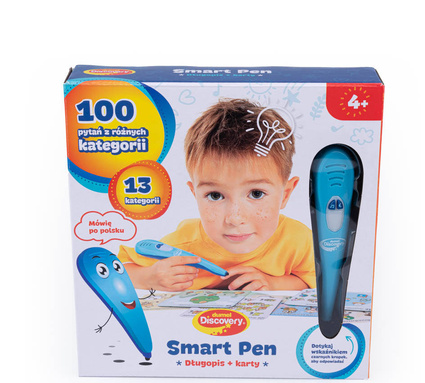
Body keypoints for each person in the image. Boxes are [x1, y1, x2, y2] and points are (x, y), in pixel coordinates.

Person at [119, 99, 316, 292]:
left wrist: (275, 284)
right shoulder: (184, 247)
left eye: (256, 194)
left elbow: (317, 278)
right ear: (195, 194)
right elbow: (117, 268)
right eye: (215, 195)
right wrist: (148, 277)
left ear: (285, 194)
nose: (235, 218)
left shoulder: (298, 241)